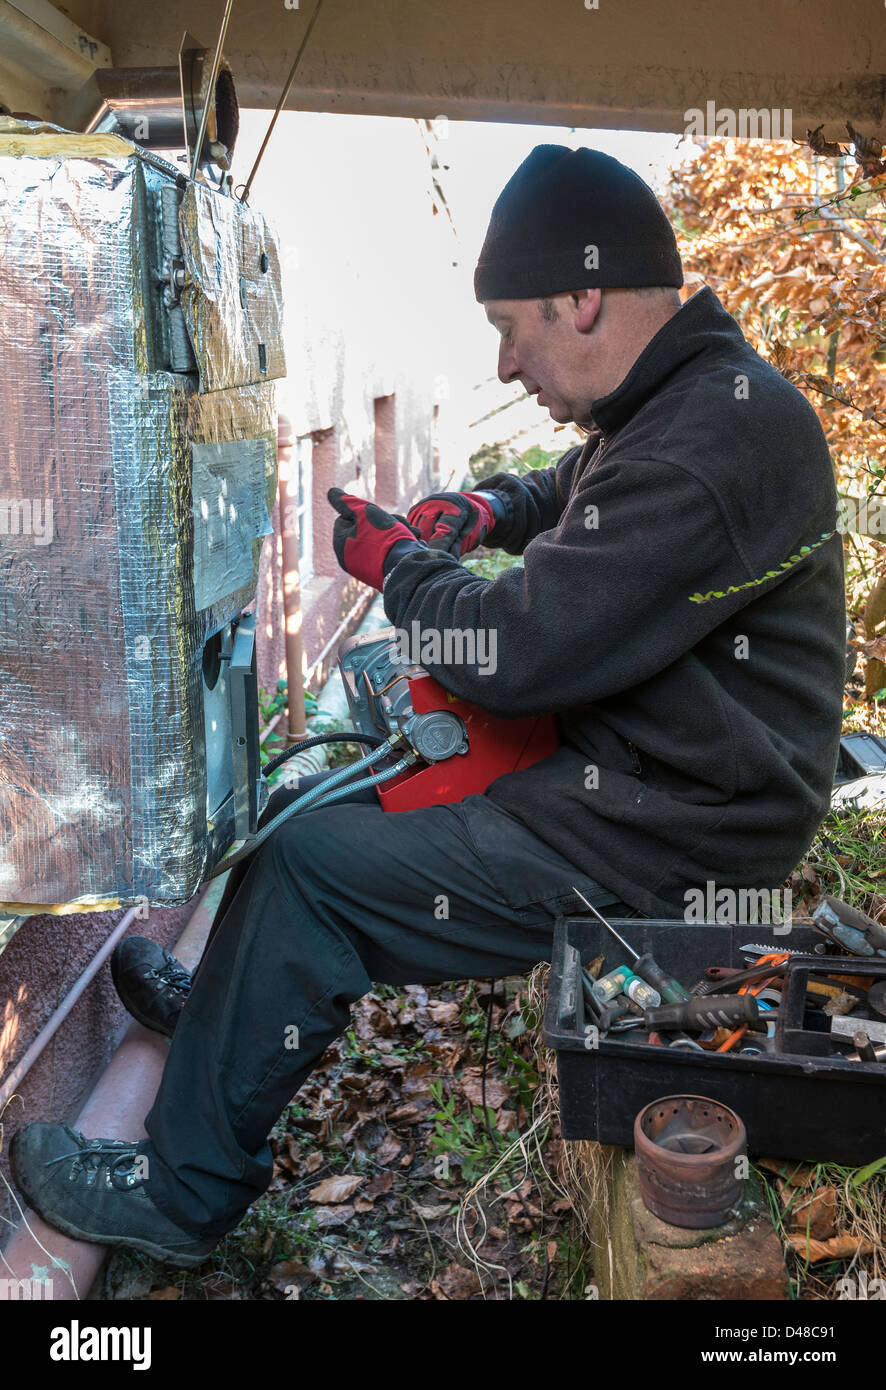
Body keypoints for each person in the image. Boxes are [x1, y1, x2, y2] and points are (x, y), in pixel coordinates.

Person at [10, 145, 846, 1265]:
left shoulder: (714, 438)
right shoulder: (682, 399)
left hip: (683, 827)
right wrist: (486, 506)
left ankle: (181, 1192)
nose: (506, 365)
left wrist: (402, 563)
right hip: (639, 771)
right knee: (309, 800)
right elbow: (572, 489)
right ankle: (219, 1006)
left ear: (582, 298)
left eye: (512, 328)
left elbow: (516, 652)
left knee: (320, 880)